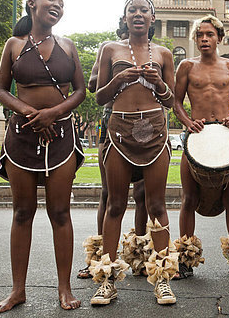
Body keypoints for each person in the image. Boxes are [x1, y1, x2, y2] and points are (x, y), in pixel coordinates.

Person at [0, 0, 86, 312]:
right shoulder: (14, 45)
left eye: (61, 2)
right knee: (22, 213)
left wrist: (52, 114)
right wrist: (31, 114)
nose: (57, 5)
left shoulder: (68, 46)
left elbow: (79, 92)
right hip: (22, 136)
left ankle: (64, 288)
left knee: (60, 212)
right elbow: (1, 90)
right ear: (32, 4)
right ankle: (18, 290)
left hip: (61, 137)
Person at [91, 0, 177, 306]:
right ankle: (107, 280)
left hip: (155, 130)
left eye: (144, 10)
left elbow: (171, 100)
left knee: (157, 206)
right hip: (119, 130)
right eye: (132, 10)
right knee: (115, 204)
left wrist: (160, 83)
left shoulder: (164, 53)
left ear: (153, 18)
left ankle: (163, 280)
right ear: (125, 17)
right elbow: (99, 96)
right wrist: (119, 79)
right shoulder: (109, 49)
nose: (138, 14)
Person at [173, 14, 229, 279]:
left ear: (219, 37)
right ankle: (184, 259)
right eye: (200, 35)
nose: (204, 39)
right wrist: (187, 122)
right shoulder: (186, 66)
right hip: (196, 139)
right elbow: (176, 102)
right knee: (188, 199)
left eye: (209, 35)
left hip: (227, 141)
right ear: (195, 39)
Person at [77, 18, 149, 280]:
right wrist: (118, 75)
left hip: (146, 123)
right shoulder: (109, 49)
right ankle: (100, 258)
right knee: (109, 194)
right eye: (122, 33)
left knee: (143, 193)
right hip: (114, 120)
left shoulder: (153, 51)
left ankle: (141, 255)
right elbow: (93, 85)